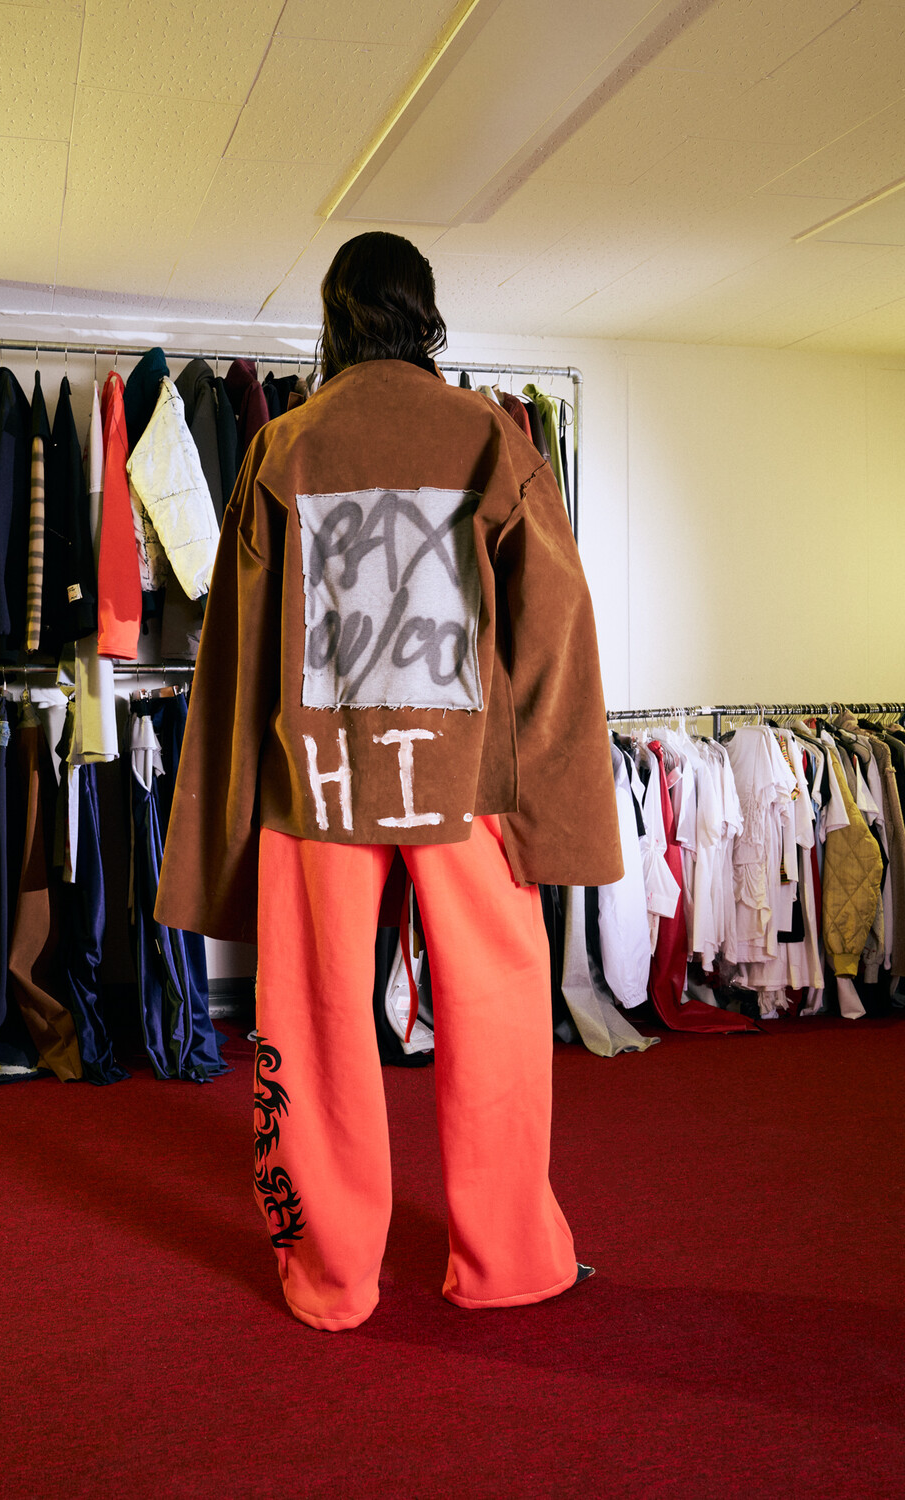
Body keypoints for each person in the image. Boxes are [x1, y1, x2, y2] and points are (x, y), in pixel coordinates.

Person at [154, 231, 622, 1331]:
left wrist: (224, 822)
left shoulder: (283, 446)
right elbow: (555, 635)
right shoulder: (493, 437)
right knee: (499, 1009)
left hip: (316, 778)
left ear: (335, 314)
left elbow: (240, 655)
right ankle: (511, 1260)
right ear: (426, 314)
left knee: (312, 1018)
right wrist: (553, 814)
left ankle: (331, 1276)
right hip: (471, 783)